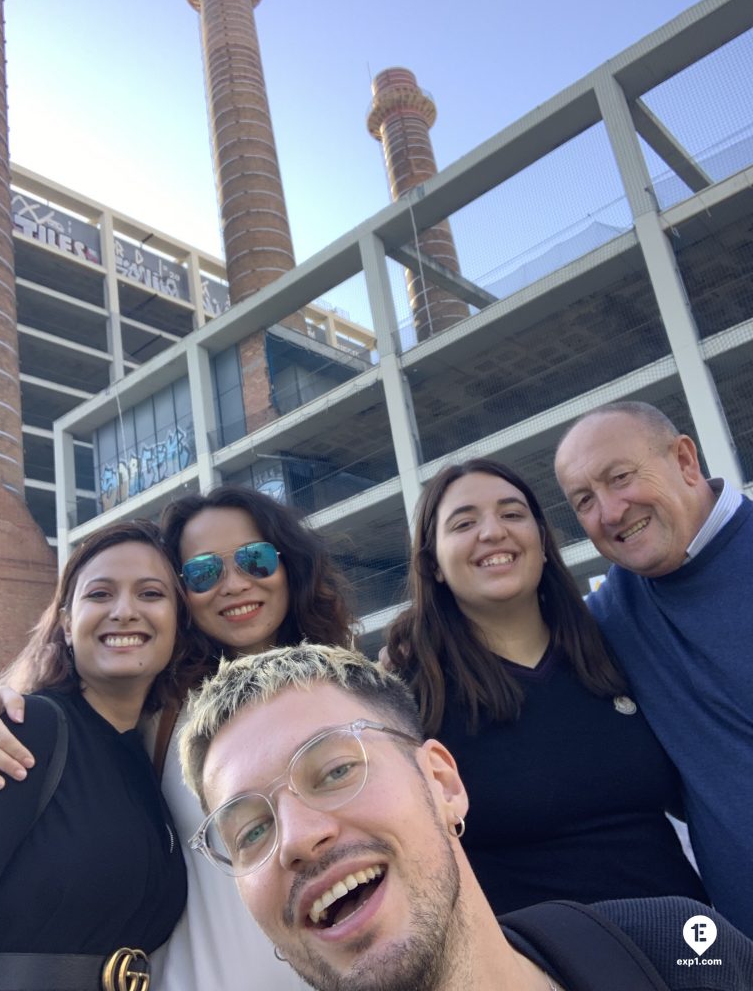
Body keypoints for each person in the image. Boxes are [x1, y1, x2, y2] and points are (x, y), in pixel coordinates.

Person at [178, 643, 753, 991]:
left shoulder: (680, 952)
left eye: (334, 772)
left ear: (443, 783)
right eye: (251, 830)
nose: (297, 839)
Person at [0, 486, 352, 991]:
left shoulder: (352, 695)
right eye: (203, 572)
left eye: (255, 559)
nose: (234, 583)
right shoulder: (165, 716)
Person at [383, 458, 706, 913]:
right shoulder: (410, 697)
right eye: (464, 522)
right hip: (542, 967)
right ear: (433, 563)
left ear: (540, 538)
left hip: (694, 949)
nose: (493, 532)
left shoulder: (616, 646)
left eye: (512, 514)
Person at [554, 400, 753, 938]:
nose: (611, 512)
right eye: (584, 501)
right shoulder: (608, 619)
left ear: (685, 460)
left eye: (620, 478)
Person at [0, 520, 188, 991]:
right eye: (99, 594)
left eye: (151, 594)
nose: (124, 611)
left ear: (179, 623)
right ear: (65, 622)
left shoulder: (152, 760)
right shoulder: (25, 728)